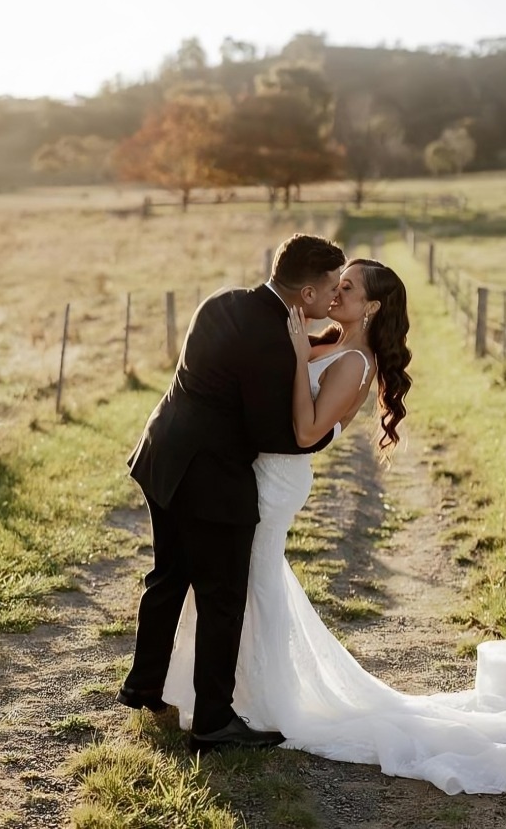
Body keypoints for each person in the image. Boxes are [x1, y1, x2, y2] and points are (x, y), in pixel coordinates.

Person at [162, 258, 506, 795]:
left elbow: (305, 432)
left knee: (250, 583)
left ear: (371, 306)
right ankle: (224, 697)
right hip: (254, 474)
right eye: (335, 283)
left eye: (347, 287)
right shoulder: (325, 340)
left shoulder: (353, 363)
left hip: (278, 481)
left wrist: (299, 360)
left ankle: (255, 701)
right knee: (244, 584)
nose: (334, 292)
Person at [117, 233, 345, 753]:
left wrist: (313, 346)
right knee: (222, 597)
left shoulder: (221, 301)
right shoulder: (272, 341)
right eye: (330, 287)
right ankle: (214, 722)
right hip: (210, 479)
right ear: (305, 295)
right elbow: (278, 436)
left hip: (162, 454)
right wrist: (332, 426)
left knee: (169, 574)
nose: (334, 297)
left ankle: (144, 685)